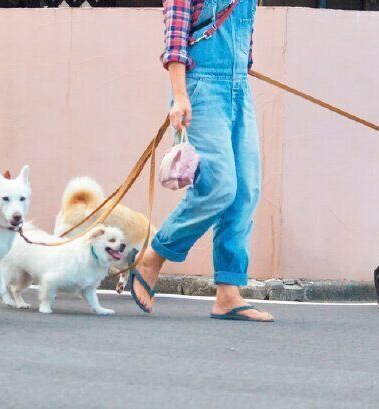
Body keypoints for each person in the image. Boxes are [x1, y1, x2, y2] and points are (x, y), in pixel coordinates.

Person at [128, 0, 274, 322]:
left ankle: (228, 293)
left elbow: (244, 36)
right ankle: (153, 256)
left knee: (245, 191)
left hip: (239, 89)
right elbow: (176, 37)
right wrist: (180, 95)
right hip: (202, 86)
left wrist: (240, 70)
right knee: (219, 187)